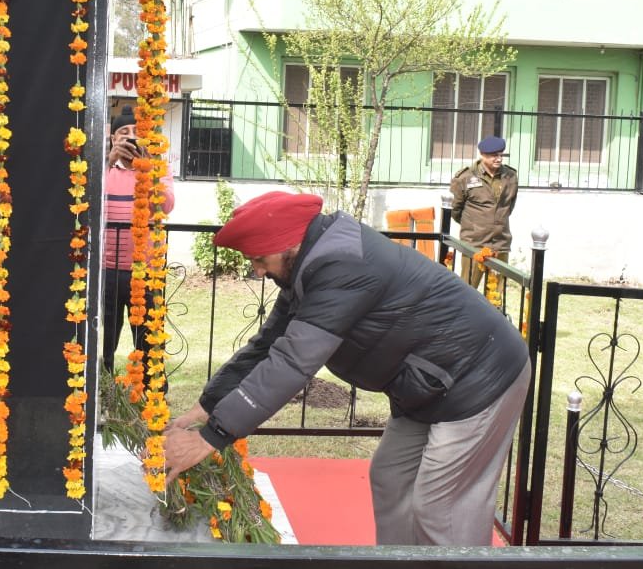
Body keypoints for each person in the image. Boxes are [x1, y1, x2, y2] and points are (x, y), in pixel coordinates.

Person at [163, 191, 531, 546]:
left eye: (259, 259)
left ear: (288, 244)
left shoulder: (343, 267)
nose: (257, 270)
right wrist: (206, 405)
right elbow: (267, 346)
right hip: (430, 383)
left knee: (441, 506)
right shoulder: (309, 265)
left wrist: (211, 437)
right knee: (391, 479)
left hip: (479, 377)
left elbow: (293, 361)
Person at [102, 105, 175, 372]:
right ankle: (102, 383)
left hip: (145, 270)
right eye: (124, 132)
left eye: (137, 132)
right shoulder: (102, 168)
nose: (131, 137)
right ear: (113, 138)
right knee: (104, 335)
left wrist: (149, 169)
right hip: (106, 269)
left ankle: (150, 388)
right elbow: (86, 199)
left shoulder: (159, 169)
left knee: (147, 337)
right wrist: (108, 161)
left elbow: (166, 205)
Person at [449, 135, 518, 289]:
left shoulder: (510, 176)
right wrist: (475, 226)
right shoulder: (465, 177)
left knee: (496, 294)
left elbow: (509, 206)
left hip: (500, 243)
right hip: (475, 244)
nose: (499, 159)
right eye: (494, 155)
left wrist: (496, 222)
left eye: (501, 155)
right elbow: (455, 210)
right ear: (482, 155)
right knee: (468, 290)